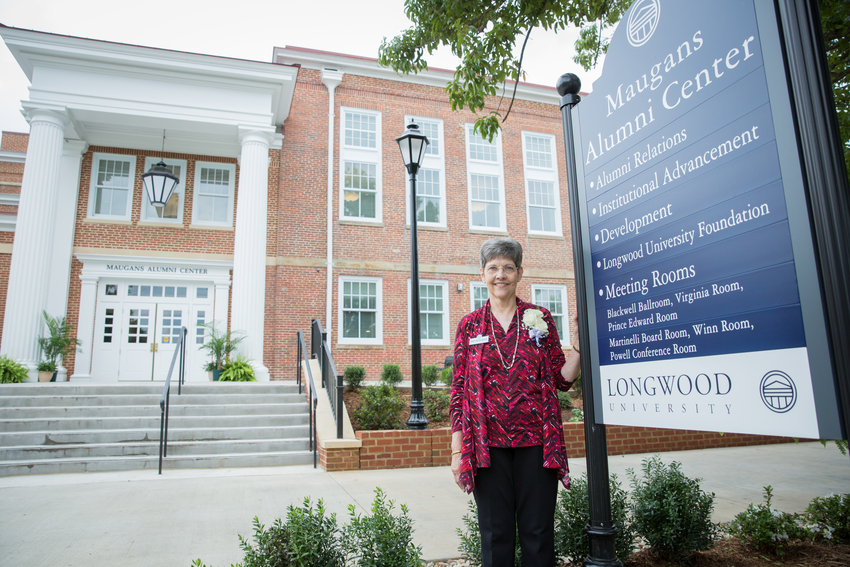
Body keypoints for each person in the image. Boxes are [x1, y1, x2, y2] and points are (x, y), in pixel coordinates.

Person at [450, 237, 580, 567]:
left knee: (538, 534)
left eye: (508, 267)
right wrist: (456, 451)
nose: (501, 275)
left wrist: (578, 349)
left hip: (536, 442)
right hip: (486, 446)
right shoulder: (470, 326)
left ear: (520, 273)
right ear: (482, 275)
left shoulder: (540, 318)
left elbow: (561, 380)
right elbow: (458, 393)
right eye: (493, 268)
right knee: (495, 535)